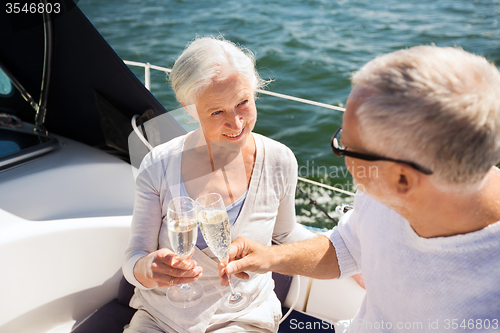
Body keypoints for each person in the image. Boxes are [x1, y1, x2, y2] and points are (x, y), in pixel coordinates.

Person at [221, 46, 500, 332]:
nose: (340, 151)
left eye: (346, 146)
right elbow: (348, 247)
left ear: (402, 180)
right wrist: (269, 257)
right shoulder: (389, 187)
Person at [122, 36, 315, 333]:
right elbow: (135, 255)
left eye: (243, 103)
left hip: (244, 316)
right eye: (217, 112)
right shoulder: (158, 164)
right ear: (189, 108)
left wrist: (349, 253)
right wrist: (148, 269)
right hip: (161, 317)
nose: (236, 123)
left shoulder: (280, 160)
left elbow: (286, 233)